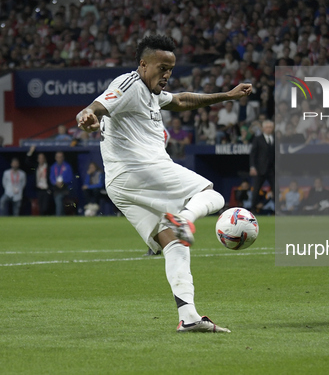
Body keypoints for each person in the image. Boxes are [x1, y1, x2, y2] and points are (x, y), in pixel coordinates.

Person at [76, 35, 252, 333]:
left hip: (120, 183)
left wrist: (227, 95)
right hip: (139, 169)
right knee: (212, 195)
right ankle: (184, 218)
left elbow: (183, 100)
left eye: (171, 68)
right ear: (143, 65)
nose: (167, 74)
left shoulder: (152, 94)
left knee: (173, 242)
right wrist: (88, 115)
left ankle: (189, 316)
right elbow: (97, 106)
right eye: (162, 67)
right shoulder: (129, 84)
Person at [249, 120, 275, 213]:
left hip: (272, 169)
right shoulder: (258, 138)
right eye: (267, 127)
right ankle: (253, 209)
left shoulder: (275, 138)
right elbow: (253, 154)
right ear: (263, 128)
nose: (269, 129)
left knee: (276, 188)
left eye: (270, 127)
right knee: (256, 190)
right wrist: (252, 167)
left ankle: (278, 209)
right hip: (260, 169)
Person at [25, 145, 53, 215]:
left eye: (42, 158)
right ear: (38, 159)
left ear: (45, 159)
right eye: (39, 158)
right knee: (40, 207)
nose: (41, 160)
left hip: (47, 190)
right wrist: (31, 152)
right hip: (39, 190)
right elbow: (27, 162)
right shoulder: (36, 167)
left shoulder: (49, 167)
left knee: (45, 207)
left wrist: (51, 189)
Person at [50, 151, 74, 216]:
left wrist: (62, 182)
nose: (59, 159)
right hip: (56, 188)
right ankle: (61, 215)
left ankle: (58, 215)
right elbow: (51, 178)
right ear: (55, 158)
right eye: (58, 157)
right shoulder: (53, 167)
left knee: (58, 198)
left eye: (60, 157)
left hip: (65, 188)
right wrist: (56, 183)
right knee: (56, 198)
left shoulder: (67, 166)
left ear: (63, 158)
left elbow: (70, 178)